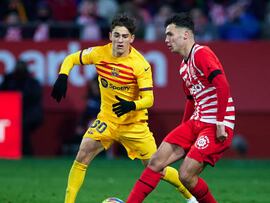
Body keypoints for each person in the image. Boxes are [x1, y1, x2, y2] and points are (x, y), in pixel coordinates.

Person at [50, 14, 196, 203]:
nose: (120, 40)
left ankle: (191, 198)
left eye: (125, 36)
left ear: (132, 39)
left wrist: (131, 105)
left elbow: (149, 99)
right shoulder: (99, 53)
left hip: (134, 125)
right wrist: (63, 75)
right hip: (107, 120)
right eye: (117, 35)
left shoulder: (140, 64)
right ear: (110, 36)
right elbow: (70, 58)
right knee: (83, 153)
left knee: (156, 167)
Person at [127, 13, 235, 203]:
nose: (166, 40)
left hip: (216, 124)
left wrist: (220, 122)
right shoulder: (183, 66)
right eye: (165, 35)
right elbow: (190, 100)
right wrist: (183, 128)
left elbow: (222, 84)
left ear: (186, 35)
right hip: (196, 122)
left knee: (186, 175)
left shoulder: (201, 53)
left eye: (170, 34)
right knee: (155, 162)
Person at [0, 60, 43, 155]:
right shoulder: (8, 81)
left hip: (28, 114)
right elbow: (2, 96)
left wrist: (20, 98)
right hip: (9, 115)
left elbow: (35, 98)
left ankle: (26, 152)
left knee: (23, 127)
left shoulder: (32, 83)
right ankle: (8, 151)